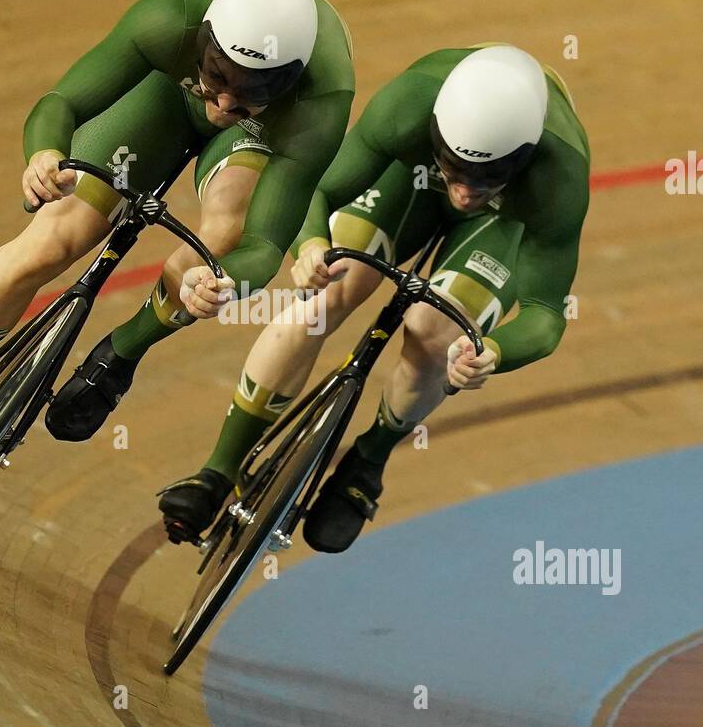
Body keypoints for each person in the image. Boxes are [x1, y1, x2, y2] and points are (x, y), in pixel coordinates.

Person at [0, 0, 355, 500]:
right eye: (218, 79)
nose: (224, 104)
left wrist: (222, 282)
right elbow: (63, 103)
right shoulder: (168, 18)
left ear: (291, 81)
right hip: (162, 95)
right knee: (51, 243)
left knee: (221, 233)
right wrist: (44, 154)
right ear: (202, 39)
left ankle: (122, 353)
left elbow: (264, 247)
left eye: (250, 92)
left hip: (256, 138)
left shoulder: (321, 102)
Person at [158, 44, 590, 553]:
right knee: (327, 294)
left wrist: (493, 352)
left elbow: (545, 314)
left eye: (487, 177)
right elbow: (313, 190)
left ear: (524, 158)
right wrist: (312, 243)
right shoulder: (409, 104)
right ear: (438, 131)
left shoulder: (559, 177)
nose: (468, 192)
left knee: (438, 337)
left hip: (504, 222)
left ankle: (369, 458)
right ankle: (219, 471)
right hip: (410, 176)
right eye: (457, 169)